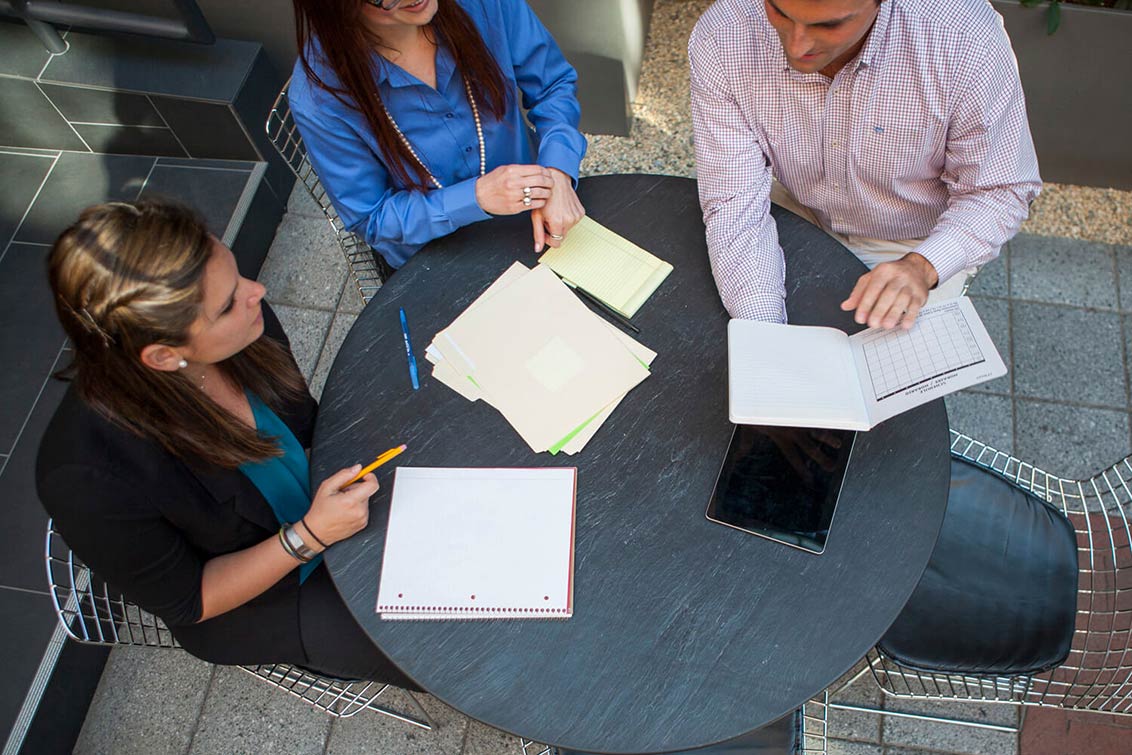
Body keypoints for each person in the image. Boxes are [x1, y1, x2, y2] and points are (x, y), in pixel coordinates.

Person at [37, 200, 417, 686]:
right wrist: (312, 535)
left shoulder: (243, 324)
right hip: (270, 592)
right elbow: (191, 600)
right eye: (226, 304)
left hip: (328, 496)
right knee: (436, 640)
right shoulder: (87, 476)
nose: (256, 292)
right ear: (162, 355)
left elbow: (306, 423)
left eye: (237, 278)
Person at [689, 0, 1041, 330]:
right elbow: (734, 203)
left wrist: (923, 266)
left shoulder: (965, 39)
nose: (797, 46)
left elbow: (999, 190)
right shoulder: (724, 34)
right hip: (799, 207)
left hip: (915, 240)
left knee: (894, 385)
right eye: (780, 12)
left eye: (828, 24)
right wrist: (764, 330)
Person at [289, 0, 588, 268]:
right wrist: (476, 197)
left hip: (534, 211)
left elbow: (552, 86)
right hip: (435, 258)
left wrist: (557, 172)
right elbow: (372, 217)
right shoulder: (320, 98)